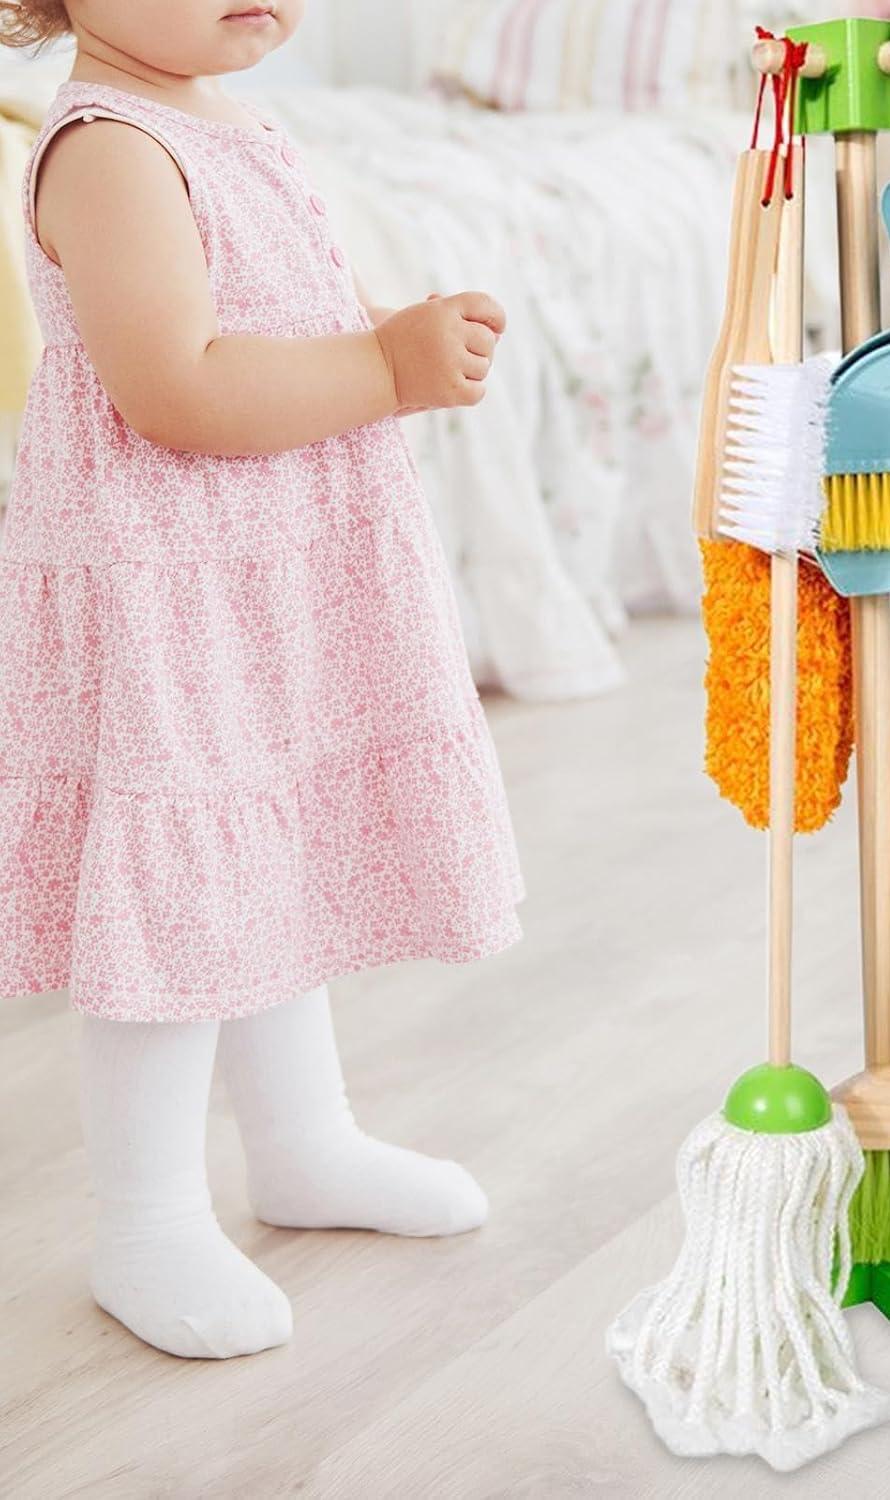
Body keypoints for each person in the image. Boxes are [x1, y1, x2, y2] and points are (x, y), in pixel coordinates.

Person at [0, 0, 524, 1358]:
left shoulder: (228, 121)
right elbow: (177, 388)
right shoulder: (111, 149)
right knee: (181, 889)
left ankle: (304, 1142)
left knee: (269, 851)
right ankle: (147, 1218)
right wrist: (385, 366)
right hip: (172, 597)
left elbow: (285, 318)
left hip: (270, 584)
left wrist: (389, 331)